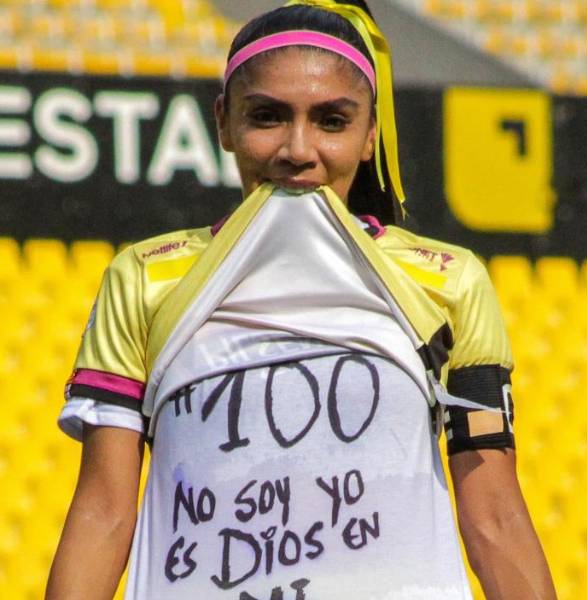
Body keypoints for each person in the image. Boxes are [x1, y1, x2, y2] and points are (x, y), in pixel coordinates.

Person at [46, 1, 557, 599]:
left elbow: (494, 517)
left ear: (370, 134)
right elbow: (104, 514)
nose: (298, 149)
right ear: (223, 122)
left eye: (331, 121)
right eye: (267, 116)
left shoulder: (449, 281)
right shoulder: (142, 278)